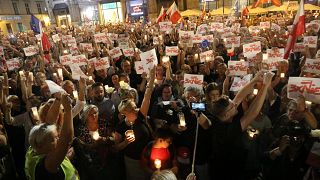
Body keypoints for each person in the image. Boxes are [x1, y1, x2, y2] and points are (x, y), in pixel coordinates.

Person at [209, 71, 274, 180]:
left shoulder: (220, 116)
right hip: (227, 172)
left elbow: (238, 97)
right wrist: (265, 86)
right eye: (232, 106)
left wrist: (255, 80)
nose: (235, 104)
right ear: (226, 114)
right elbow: (252, 113)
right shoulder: (227, 132)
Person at [114, 66, 155, 180]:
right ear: (125, 112)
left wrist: (151, 78)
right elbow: (115, 147)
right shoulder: (121, 126)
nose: (136, 109)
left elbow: (147, 96)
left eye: (135, 107)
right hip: (133, 161)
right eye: (132, 109)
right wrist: (125, 143)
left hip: (148, 158)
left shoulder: (141, 117)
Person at [25, 93, 79, 180]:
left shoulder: (34, 148)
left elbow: (49, 123)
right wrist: (68, 110)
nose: (58, 140)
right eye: (54, 139)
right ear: (42, 144)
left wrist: (58, 99)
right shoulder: (47, 164)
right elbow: (66, 141)